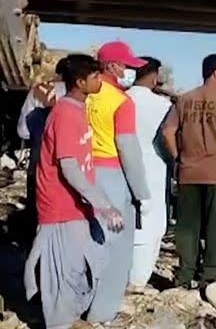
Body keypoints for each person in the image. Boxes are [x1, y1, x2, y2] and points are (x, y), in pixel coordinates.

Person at [23, 54, 125, 329]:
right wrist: (103, 203)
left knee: (81, 263)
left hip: (75, 204)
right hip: (60, 204)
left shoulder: (77, 109)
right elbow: (69, 168)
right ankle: (60, 322)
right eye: (94, 77)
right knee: (63, 269)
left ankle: (68, 317)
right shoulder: (66, 113)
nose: (99, 80)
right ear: (80, 82)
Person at [162, 54, 216, 288]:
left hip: (189, 172)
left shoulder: (185, 99)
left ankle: (185, 273)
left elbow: (168, 132)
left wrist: (178, 158)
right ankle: (208, 276)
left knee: (187, 226)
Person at [85, 41, 150, 322]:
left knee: (86, 242)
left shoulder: (81, 95)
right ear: (112, 66)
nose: (127, 70)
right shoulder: (121, 101)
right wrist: (141, 193)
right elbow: (127, 148)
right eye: (124, 65)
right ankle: (101, 313)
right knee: (116, 250)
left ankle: (77, 304)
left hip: (81, 172)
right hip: (111, 176)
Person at [126, 57, 173, 291]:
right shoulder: (163, 106)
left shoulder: (120, 99)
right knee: (151, 223)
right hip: (153, 167)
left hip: (118, 166)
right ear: (155, 76)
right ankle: (137, 279)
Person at [18, 58, 68, 236]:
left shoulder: (38, 91)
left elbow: (23, 132)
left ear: (58, 71)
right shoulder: (82, 95)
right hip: (69, 167)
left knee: (37, 213)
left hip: (39, 163)